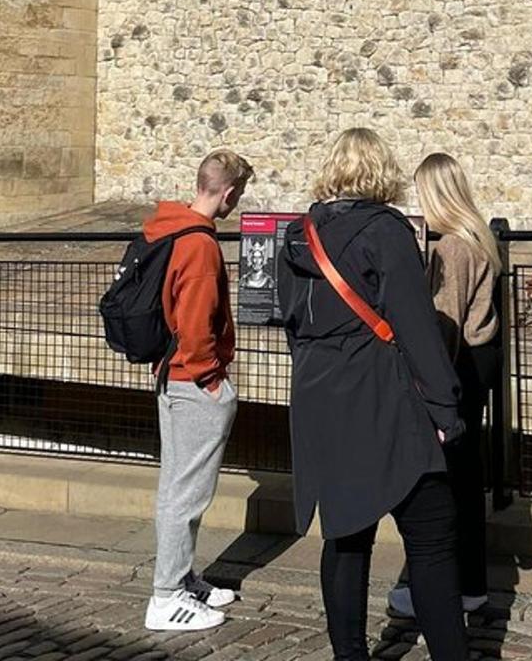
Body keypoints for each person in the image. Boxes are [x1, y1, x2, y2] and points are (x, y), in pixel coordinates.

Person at [277, 129, 468, 660]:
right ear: (381, 171)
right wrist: (444, 407)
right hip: (381, 393)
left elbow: (292, 325)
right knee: (431, 534)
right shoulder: (385, 231)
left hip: (319, 394)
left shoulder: (296, 234)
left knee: (345, 534)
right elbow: (413, 324)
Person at [143, 149, 254, 632]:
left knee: (177, 487)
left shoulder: (169, 228)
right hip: (193, 380)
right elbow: (195, 324)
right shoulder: (201, 246)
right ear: (228, 192)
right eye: (239, 194)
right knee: (186, 493)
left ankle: (182, 577)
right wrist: (212, 380)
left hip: (173, 373)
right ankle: (166, 596)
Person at [388, 152, 500, 618]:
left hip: (459, 367)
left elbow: (447, 322)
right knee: (468, 481)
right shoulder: (481, 237)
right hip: (480, 360)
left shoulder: (452, 247)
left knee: (445, 485)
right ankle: (471, 582)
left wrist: (434, 394)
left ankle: (440, 586)